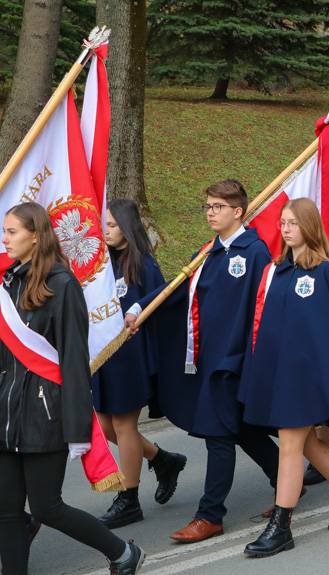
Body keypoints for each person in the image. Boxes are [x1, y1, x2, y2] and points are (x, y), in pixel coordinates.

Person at [125, 180, 279, 543]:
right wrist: (140, 308)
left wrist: (250, 358)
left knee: (217, 433)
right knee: (242, 430)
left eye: (218, 207)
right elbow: (180, 287)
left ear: (238, 211)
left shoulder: (254, 252)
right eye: (208, 206)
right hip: (208, 356)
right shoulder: (209, 251)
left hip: (234, 360)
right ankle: (289, 481)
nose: (210, 213)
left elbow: (263, 308)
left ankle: (210, 515)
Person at [0, 203, 144, 575]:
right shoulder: (9, 283)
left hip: (45, 414)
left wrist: (78, 426)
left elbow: (75, 362)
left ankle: (122, 553)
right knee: (8, 511)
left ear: (35, 235)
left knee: (47, 507)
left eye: (12, 232)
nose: (5, 239)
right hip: (7, 413)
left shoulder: (62, 285)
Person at [239, 198, 329, 557]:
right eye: (283, 223)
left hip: (307, 380)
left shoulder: (322, 272)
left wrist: (325, 381)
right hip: (281, 376)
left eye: (292, 223)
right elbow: (268, 329)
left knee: (290, 444)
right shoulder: (277, 271)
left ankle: (281, 526)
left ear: (309, 227)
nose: (285, 229)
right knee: (306, 445)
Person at [94, 199, 187, 529]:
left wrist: (137, 311)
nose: (106, 230)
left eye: (113, 225)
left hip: (130, 357)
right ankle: (163, 459)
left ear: (128, 228)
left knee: (124, 425)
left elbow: (162, 299)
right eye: (105, 224)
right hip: (103, 355)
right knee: (105, 426)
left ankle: (129, 498)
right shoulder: (103, 263)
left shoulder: (143, 264)